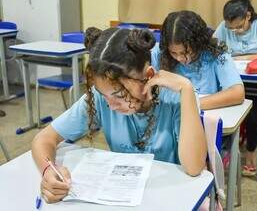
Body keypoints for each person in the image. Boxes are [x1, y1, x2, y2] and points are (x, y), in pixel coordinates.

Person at [31, 27, 207, 203]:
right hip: (125, 197)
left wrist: (187, 88)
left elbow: (194, 167)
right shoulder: (102, 98)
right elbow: (44, 139)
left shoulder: (175, 99)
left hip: (173, 196)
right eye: (104, 96)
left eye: (120, 95)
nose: (111, 106)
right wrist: (49, 170)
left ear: (149, 76)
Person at [213, 0, 257, 176]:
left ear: (248, 16)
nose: (234, 32)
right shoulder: (224, 26)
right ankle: (225, 150)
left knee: (253, 115)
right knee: (222, 113)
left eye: (238, 27)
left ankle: (251, 151)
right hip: (232, 81)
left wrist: (251, 57)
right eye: (231, 29)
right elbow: (211, 50)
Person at [152, 10, 244, 111]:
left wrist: (189, 105)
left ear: (198, 43)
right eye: (173, 53)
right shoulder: (159, 53)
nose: (179, 58)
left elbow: (237, 93)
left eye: (186, 52)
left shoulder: (216, 54)